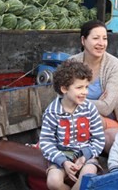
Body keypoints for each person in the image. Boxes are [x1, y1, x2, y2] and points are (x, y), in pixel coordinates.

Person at [39, 59, 105, 190]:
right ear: (64, 89)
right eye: (79, 87)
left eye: (86, 87)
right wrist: (63, 161)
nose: (85, 92)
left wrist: (85, 156)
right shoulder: (52, 112)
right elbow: (46, 142)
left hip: (86, 154)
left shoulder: (90, 109)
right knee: (53, 182)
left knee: (88, 175)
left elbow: (99, 140)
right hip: (61, 155)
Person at [69, 20, 118, 152]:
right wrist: (96, 103)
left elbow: (107, 107)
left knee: (90, 119)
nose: (101, 43)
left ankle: (81, 155)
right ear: (83, 40)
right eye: (96, 38)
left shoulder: (115, 65)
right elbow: (62, 100)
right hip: (75, 120)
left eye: (105, 39)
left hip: (110, 122)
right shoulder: (72, 63)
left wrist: (76, 100)